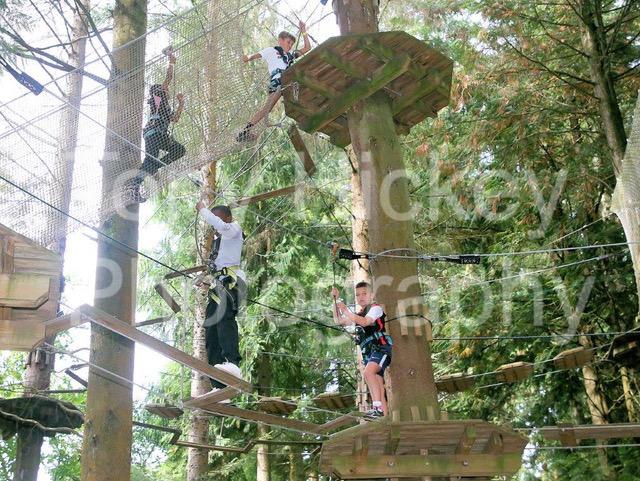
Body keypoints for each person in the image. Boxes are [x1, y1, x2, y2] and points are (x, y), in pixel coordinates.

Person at [195, 202, 247, 393]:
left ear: (228, 218)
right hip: (218, 285)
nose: (215, 224)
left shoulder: (234, 230)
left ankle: (232, 362)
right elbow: (215, 268)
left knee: (224, 319)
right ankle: (218, 384)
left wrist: (203, 210)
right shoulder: (219, 243)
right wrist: (203, 279)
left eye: (218, 218)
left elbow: (221, 226)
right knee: (211, 328)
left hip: (232, 282)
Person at [236, 21, 312, 142]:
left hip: (286, 82)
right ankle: (245, 131)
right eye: (288, 42)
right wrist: (248, 57)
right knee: (267, 109)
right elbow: (255, 56)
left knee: (296, 90)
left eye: (292, 44)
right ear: (280, 40)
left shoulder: (290, 56)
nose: (290, 46)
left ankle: (304, 112)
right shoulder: (272, 51)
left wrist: (304, 31)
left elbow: (307, 48)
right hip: (277, 83)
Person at [128, 49, 186, 202]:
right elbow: (168, 78)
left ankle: (149, 171)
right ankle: (136, 184)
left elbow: (175, 119)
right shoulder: (157, 98)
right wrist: (171, 61)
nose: (167, 89)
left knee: (178, 150)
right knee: (152, 159)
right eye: (164, 88)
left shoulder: (165, 107)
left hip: (160, 135)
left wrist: (181, 103)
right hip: (154, 133)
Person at [332, 282, 393, 418]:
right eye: (358, 295)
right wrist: (335, 301)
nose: (361, 297)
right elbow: (338, 320)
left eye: (364, 293)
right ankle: (384, 419)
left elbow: (365, 321)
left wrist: (345, 309)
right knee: (377, 385)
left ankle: (377, 408)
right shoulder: (358, 314)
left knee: (368, 373)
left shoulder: (376, 309)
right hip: (370, 353)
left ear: (372, 295)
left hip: (381, 349)